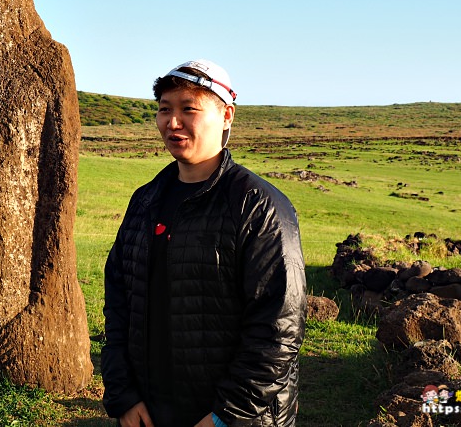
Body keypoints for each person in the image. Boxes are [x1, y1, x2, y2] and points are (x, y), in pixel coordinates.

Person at [101, 59, 307, 427]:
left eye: (188, 109)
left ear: (226, 115)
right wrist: (124, 395)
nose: (172, 122)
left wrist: (224, 416)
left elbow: (278, 327)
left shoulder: (258, 206)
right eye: (165, 110)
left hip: (235, 417)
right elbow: (119, 303)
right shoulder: (146, 201)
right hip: (150, 410)